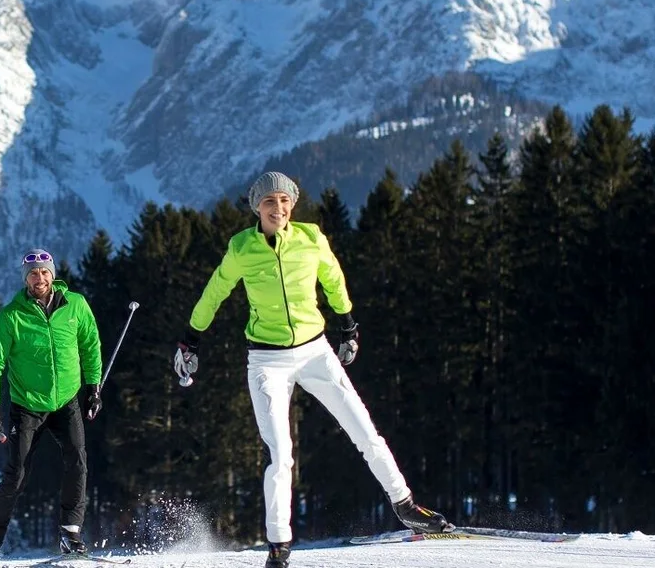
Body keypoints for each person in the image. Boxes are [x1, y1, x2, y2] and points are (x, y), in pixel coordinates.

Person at [179, 172, 452, 568]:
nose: (278, 209)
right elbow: (215, 291)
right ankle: (279, 545)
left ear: (293, 205)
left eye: (284, 201)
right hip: (267, 361)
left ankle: (405, 505)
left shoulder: (311, 238)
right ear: (257, 207)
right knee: (281, 454)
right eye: (270, 202)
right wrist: (191, 338)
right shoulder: (242, 248)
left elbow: (333, 277)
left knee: (364, 430)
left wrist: (349, 325)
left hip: (315, 352)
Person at [0, 248, 104, 567]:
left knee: (77, 460)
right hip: (27, 405)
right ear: (25, 279)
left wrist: (94, 388)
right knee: (17, 474)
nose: (38, 278)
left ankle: (71, 533)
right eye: (32, 274)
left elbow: (91, 346)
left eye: (43, 272)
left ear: (52, 275)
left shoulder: (76, 306)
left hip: (66, 400)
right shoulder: (11, 316)